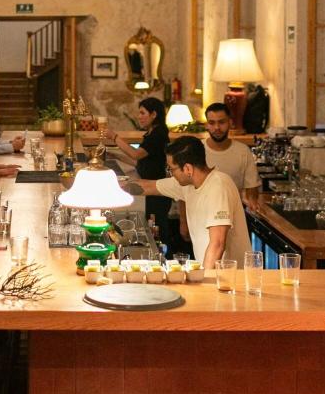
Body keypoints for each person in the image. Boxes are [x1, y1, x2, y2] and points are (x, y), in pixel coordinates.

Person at [137, 135, 250, 269]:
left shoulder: (218, 186)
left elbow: (218, 244)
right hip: (211, 272)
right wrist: (115, 185)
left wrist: (205, 278)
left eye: (171, 169)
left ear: (188, 169)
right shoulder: (188, 184)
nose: (170, 173)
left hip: (230, 276)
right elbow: (148, 186)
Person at [104, 96, 171, 245]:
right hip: (150, 187)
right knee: (152, 227)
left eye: (142, 113)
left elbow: (136, 154)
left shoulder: (157, 135)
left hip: (156, 189)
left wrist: (114, 137)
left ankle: (160, 254)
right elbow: (139, 162)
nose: (139, 117)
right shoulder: (151, 134)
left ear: (154, 114)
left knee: (157, 230)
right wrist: (116, 155)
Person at [203, 102, 261, 211]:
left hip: (234, 214)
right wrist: (183, 219)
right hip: (201, 215)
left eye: (221, 122)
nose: (217, 127)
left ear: (230, 122)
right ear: (206, 125)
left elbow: (251, 189)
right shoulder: (197, 150)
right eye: (212, 123)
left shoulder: (243, 151)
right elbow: (184, 191)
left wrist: (252, 203)